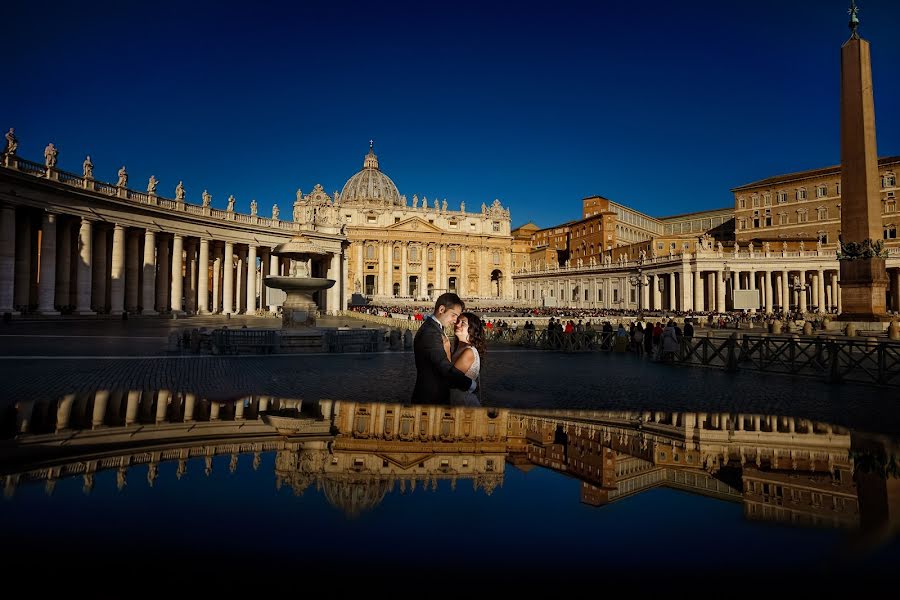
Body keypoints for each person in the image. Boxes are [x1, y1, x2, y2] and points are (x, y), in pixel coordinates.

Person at [412, 292, 475, 404]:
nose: (456, 321)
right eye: (454, 315)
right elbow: (444, 367)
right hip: (430, 399)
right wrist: (471, 385)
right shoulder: (431, 332)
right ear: (441, 309)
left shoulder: (433, 328)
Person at [449, 312, 485, 407]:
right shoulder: (457, 348)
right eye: (457, 321)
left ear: (471, 329)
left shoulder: (469, 352)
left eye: (463, 323)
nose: (457, 324)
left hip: (463, 403)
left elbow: (451, 378)